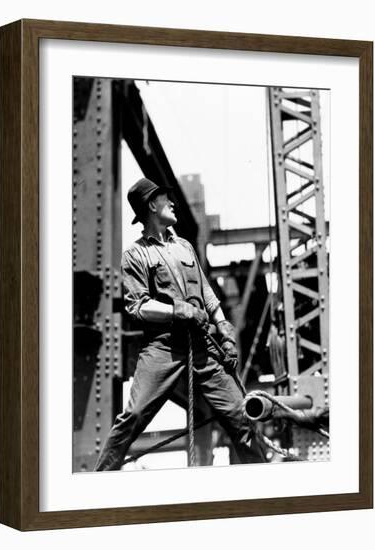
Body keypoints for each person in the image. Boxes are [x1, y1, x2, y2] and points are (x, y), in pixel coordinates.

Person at [94, 177, 265, 470]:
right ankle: (95, 485)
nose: (172, 203)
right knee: (133, 416)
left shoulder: (184, 246)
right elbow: (137, 306)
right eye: (165, 199)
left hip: (203, 345)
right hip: (163, 348)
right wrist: (178, 310)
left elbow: (207, 292)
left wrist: (224, 328)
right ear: (151, 205)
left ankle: (268, 482)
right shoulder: (135, 255)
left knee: (242, 416)